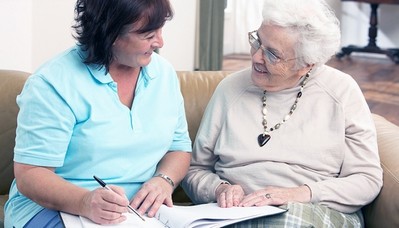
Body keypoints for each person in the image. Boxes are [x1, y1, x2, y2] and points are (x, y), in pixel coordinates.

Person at [182, 0, 383, 226]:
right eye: (257, 41)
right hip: (234, 214)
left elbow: (366, 180)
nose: (257, 57)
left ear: (307, 64)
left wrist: (299, 193)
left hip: (312, 211)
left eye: (272, 54)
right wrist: (219, 189)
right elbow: (194, 169)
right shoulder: (230, 90)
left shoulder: (341, 92)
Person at [4, 0, 192, 227]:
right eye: (147, 34)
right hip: (56, 209)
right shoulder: (53, 83)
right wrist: (85, 201)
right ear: (110, 33)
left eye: (160, 29)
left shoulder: (164, 74)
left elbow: (179, 148)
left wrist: (164, 181)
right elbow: (31, 174)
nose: (160, 42)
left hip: (138, 214)